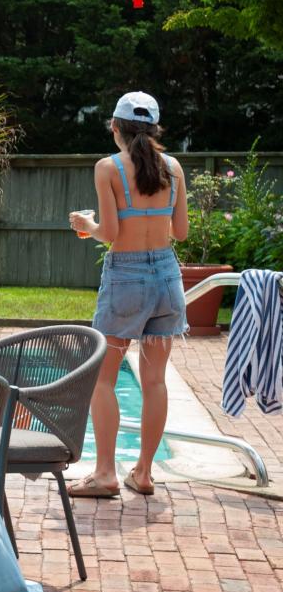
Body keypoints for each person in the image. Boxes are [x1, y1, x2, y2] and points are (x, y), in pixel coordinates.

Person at [67, 91, 188, 499]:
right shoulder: (174, 168)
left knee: (103, 378)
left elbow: (112, 233)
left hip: (127, 278)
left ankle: (104, 474)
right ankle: (144, 473)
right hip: (168, 277)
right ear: (154, 129)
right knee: (153, 381)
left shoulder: (109, 168)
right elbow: (181, 232)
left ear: (115, 128)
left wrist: (87, 223)